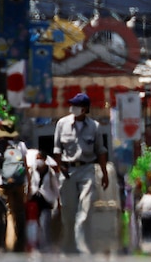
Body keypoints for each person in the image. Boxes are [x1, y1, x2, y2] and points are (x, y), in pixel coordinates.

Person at [53, 92, 109, 254]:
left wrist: (104, 174)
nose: (73, 108)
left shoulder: (95, 126)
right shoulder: (61, 124)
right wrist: (59, 167)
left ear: (84, 109)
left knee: (85, 209)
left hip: (87, 169)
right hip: (67, 171)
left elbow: (101, 151)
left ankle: (82, 248)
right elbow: (57, 149)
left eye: (76, 106)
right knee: (68, 213)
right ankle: (70, 246)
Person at [0, 119, 28, 252]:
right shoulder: (22, 146)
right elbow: (26, 166)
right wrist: (27, 184)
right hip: (19, 184)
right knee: (19, 212)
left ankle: (8, 243)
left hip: (4, 184)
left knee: (8, 212)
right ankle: (21, 243)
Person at [26, 149, 60, 252]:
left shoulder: (50, 172)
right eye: (36, 158)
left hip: (46, 201)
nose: (38, 160)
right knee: (33, 226)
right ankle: (35, 248)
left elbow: (56, 188)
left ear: (45, 159)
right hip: (34, 200)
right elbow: (28, 184)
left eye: (39, 158)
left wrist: (59, 202)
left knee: (45, 224)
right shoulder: (31, 170)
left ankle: (46, 248)